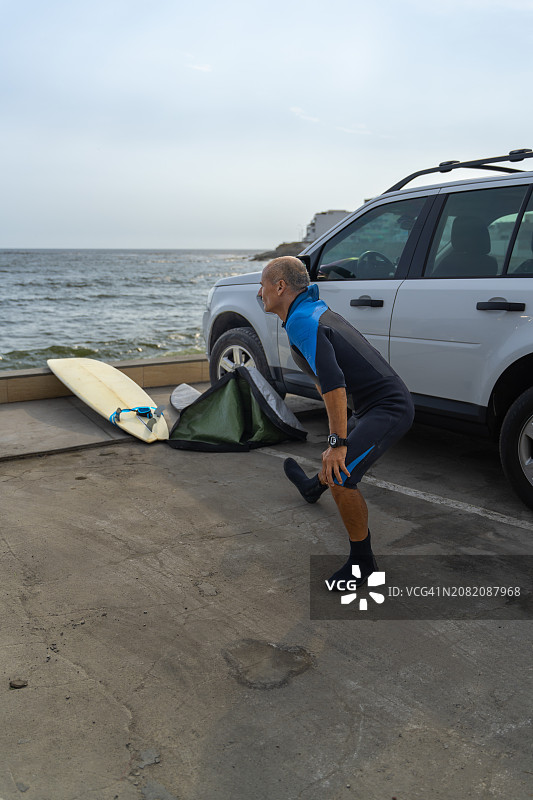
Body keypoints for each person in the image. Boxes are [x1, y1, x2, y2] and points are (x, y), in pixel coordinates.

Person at [258, 256, 414, 587]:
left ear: (281, 286)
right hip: (368, 405)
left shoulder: (303, 321)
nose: (260, 292)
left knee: (341, 474)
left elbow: (334, 386)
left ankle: (363, 564)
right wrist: (337, 437)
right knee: (336, 459)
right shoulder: (307, 312)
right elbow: (323, 379)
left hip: (388, 407)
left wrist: (336, 443)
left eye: (263, 285)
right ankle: (313, 487)